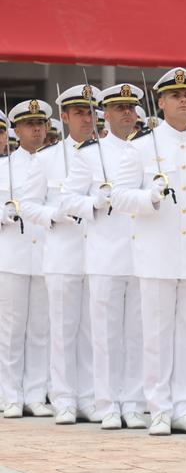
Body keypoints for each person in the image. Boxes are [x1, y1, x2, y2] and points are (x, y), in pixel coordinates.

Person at [112, 67, 186, 436]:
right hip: (157, 253)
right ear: (160, 102)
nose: (184, 101)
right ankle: (159, 408)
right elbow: (118, 196)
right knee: (157, 334)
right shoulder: (141, 147)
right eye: (176, 95)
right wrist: (149, 196)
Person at [62, 83, 146, 429]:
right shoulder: (88, 154)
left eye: (131, 107)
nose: (127, 113)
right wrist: (93, 202)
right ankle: (107, 402)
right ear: (105, 114)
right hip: (105, 253)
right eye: (119, 108)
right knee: (106, 333)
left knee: (140, 333)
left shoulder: (148, 149)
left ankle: (135, 402)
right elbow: (67, 200)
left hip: (143, 253)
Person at [22, 85, 97, 425]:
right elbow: (28, 205)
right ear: (64, 117)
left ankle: (92, 396)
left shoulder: (109, 155)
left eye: (90, 111)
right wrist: (55, 214)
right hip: (64, 252)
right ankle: (64, 397)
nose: (87, 118)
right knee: (63, 329)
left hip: (100, 255)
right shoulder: (47, 158)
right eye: (79, 112)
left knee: (95, 331)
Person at [0, 100, 52, 418]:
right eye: (30, 124)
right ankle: (10, 395)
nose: (36, 129)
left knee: (41, 328)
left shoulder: (56, 163)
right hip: (13, 255)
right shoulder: (3, 167)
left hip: (46, 254)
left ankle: (35, 393)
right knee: (11, 328)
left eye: (41, 124)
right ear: (16, 130)